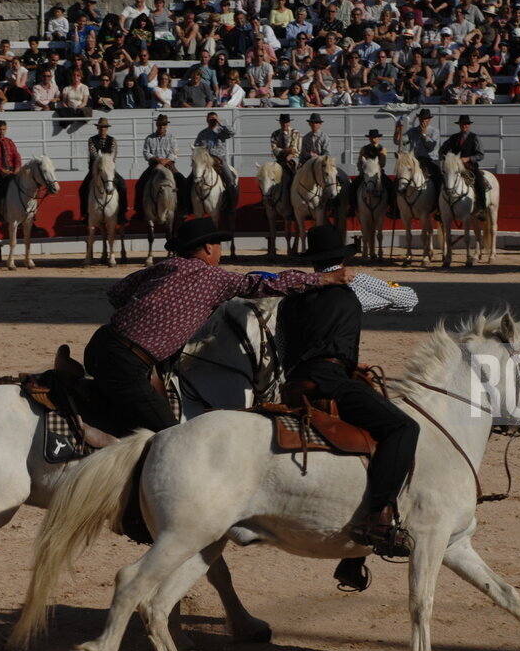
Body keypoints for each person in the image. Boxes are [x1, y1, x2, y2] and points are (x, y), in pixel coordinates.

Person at [84, 216, 354, 436]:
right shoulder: (215, 278)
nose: (220, 253)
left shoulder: (164, 267)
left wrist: (147, 317)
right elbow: (266, 284)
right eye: (219, 246)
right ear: (208, 248)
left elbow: (117, 293)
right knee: (167, 438)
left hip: (100, 344)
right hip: (126, 363)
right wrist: (324, 279)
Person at [279, 224, 419, 587]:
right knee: (403, 427)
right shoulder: (354, 285)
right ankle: (380, 517)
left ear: (312, 262)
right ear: (342, 259)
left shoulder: (290, 294)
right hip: (332, 380)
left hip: (294, 385)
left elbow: (282, 348)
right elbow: (408, 299)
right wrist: (371, 283)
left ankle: (352, 555)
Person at [135, 114, 187, 216]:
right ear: (156, 124)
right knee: (139, 184)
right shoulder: (149, 138)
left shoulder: (172, 137)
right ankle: (140, 211)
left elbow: (175, 153)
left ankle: (183, 208)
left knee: (182, 181)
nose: (162, 127)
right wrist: (157, 159)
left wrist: (166, 160)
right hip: (154, 164)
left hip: (169, 164)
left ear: (166, 126)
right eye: (160, 124)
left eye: (164, 125)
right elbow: (146, 153)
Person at [79, 118, 129, 223]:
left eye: (105, 127)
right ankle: (86, 213)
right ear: (98, 128)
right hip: (95, 170)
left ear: (107, 128)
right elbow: (94, 155)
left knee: (122, 185)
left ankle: (122, 213)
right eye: (101, 127)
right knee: (83, 189)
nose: (103, 129)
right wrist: (102, 162)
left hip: (109, 170)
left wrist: (106, 163)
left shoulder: (113, 140)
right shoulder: (91, 140)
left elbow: (113, 156)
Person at [438, 115, 487, 216]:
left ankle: (482, 208)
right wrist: (446, 158)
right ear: (459, 125)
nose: (464, 126)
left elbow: (480, 155)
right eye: (462, 124)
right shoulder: (453, 137)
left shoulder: (474, 137)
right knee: (442, 181)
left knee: (479, 181)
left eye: (466, 124)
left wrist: (468, 158)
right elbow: (443, 149)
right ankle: (440, 208)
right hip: (455, 167)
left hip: (470, 166)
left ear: (469, 125)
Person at [193, 111, 238, 212]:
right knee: (191, 179)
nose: (212, 121)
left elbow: (233, 132)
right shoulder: (202, 133)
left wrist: (220, 122)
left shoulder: (221, 131)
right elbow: (196, 147)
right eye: (210, 119)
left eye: (214, 119)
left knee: (230, 180)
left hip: (219, 160)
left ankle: (231, 207)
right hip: (205, 161)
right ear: (207, 120)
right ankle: (188, 207)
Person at [395, 108, 441, 190]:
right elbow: (399, 142)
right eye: (422, 118)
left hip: (430, 160)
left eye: (426, 119)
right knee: (400, 177)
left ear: (429, 120)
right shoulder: (413, 131)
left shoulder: (434, 131)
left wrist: (424, 134)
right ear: (419, 119)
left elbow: (431, 147)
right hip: (414, 161)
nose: (423, 121)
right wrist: (397, 131)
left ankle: (437, 200)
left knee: (437, 178)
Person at [349, 129, 392, 209]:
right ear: (369, 138)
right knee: (353, 187)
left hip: (378, 173)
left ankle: (392, 207)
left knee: (391, 186)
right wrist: (361, 171)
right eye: (371, 137)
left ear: (378, 138)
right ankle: (353, 208)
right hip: (365, 172)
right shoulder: (364, 149)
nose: (373, 139)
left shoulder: (382, 149)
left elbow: (382, 164)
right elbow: (359, 162)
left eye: (375, 137)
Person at [271, 113, 301, 195]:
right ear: (280, 123)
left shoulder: (295, 132)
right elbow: (274, 150)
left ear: (289, 123)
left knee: (296, 174)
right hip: (280, 159)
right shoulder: (275, 134)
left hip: (293, 158)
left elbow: (295, 149)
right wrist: (288, 150)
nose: (285, 124)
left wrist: (289, 154)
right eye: (283, 122)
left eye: (286, 122)